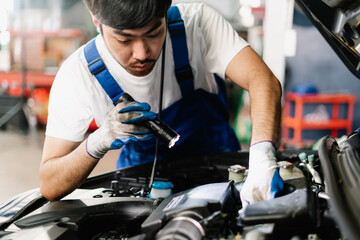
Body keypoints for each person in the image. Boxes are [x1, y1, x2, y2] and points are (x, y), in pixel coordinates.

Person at [40, 0, 283, 208]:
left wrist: (262, 161)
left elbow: (262, 80)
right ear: (96, 20)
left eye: (154, 33)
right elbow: (50, 184)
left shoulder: (196, 25)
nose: (142, 53)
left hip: (222, 177)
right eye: (124, 40)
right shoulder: (79, 75)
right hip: (143, 194)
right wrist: (98, 141)